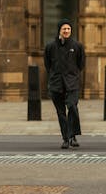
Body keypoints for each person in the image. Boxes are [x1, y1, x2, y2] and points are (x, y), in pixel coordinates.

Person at [44, 18, 85, 149]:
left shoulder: (77, 46)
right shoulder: (50, 46)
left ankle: (73, 135)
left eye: (68, 29)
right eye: (64, 29)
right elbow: (47, 64)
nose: (66, 31)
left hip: (72, 83)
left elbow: (81, 64)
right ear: (59, 31)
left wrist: (73, 75)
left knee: (72, 107)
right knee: (61, 113)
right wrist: (54, 76)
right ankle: (66, 138)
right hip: (56, 84)